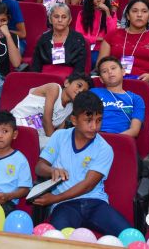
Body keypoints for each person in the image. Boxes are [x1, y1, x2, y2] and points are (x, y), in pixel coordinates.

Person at [33, 91, 131, 235]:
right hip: (64, 206)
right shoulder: (59, 136)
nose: (94, 126)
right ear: (74, 120)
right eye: (88, 120)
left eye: (99, 120)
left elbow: (88, 185)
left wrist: (54, 198)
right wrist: (51, 170)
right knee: (60, 239)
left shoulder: (105, 148)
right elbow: (39, 167)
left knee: (129, 235)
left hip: (95, 202)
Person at [98, 0, 149, 109]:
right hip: (114, 80)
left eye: (144, 11)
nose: (139, 15)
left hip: (147, 83)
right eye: (134, 11)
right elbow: (101, 62)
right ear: (127, 16)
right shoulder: (113, 35)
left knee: (137, 103)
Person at [11, 72, 92, 148]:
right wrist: (54, 144)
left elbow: (59, 131)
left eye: (84, 91)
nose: (80, 91)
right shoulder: (54, 88)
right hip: (18, 124)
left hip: (36, 135)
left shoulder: (70, 107)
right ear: (66, 83)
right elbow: (46, 120)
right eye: (79, 85)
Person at [91, 56, 145, 137]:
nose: (110, 72)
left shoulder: (136, 99)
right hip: (94, 137)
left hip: (120, 139)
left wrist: (115, 140)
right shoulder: (93, 93)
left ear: (123, 72)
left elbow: (134, 130)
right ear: (101, 79)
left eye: (113, 68)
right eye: (104, 71)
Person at [31, 3, 87, 74]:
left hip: (69, 81)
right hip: (46, 80)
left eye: (64, 17)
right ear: (50, 19)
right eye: (56, 16)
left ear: (69, 20)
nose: (60, 20)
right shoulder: (43, 38)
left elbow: (79, 68)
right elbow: (36, 67)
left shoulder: (78, 39)